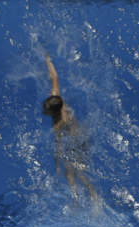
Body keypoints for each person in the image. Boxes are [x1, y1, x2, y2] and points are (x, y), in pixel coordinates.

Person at [43, 54, 97, 200]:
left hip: (78, 143)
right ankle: (76, 198)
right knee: (71, 170)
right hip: (82, 132)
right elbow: (55, 77)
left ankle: (94, 197)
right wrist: (48, 60)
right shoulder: (58, 99)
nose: (43, 112)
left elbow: (58, 144)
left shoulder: (58, 123)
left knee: (75, 171)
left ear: (54, 112)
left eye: (46, 111)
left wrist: (57, 164)